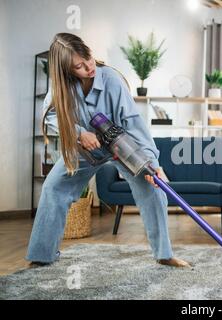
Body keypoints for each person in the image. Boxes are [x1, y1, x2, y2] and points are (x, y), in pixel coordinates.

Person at [27, 33, 190, 268]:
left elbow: (134, 122)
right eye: (79, 66)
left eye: (88, 58)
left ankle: (164, 254)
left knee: (152, 189)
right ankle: (42, 256)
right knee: (53, 188)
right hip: (83, 150)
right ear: (67, 71)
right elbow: (50, 116)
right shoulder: (61, 88)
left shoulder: (111, 79)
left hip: (120, 145)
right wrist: (78, 133)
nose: (88, 67)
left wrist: (151, 162)